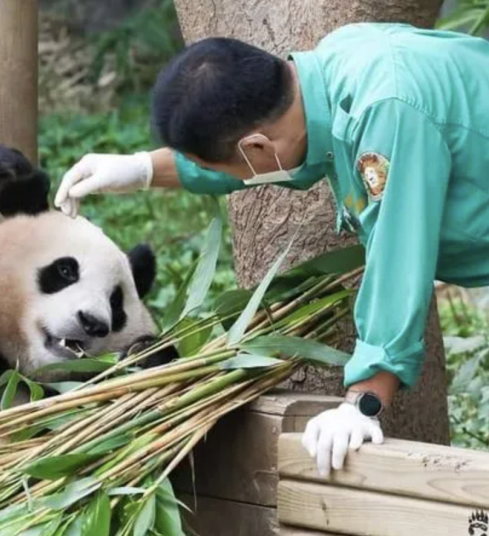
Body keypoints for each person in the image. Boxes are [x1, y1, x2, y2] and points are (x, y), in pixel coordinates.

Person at [54, 22, 489, 477]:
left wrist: (364, 400)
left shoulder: (385, 112)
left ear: (257, 145)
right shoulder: (335, 69)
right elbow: (294, 154)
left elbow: (398, 254)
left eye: (212, 163)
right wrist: (143, 168)